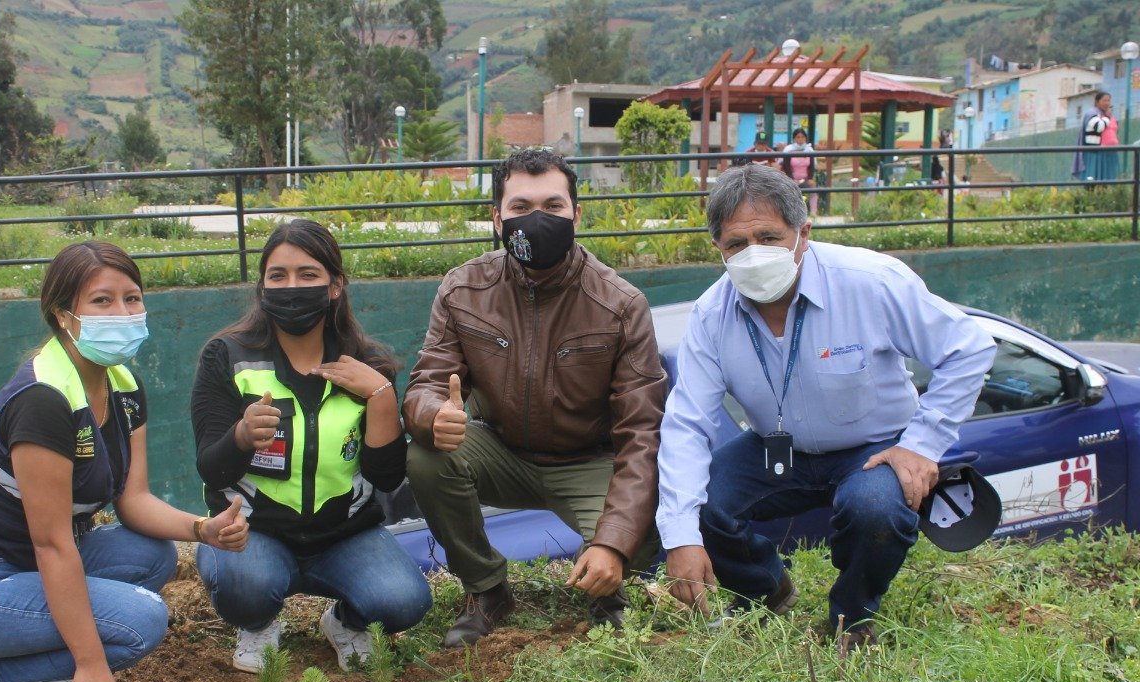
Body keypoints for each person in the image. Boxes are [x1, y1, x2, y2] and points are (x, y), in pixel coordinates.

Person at [0, 241, 249, 682]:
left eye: (132, 298)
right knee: (139, 623)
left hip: (24, 565)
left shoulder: (123, 383)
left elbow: (133, 500)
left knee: (151, 555)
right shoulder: (44, 400)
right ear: (63, 314)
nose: (124, 313)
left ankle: (26, 677)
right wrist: (91, 664)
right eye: (103, 302)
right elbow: (52, 545)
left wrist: (203, 530)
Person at [658, 166, 995, 651]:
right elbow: (686, 424)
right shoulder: (713, 316)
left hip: (874, 449)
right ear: (717, 249)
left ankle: (852, 616)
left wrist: (922, 445)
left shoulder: (869, 282)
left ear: (804, 233)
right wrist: (680, 537)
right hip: (780, 449)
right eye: (736, 244)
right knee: (699, 503)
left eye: (769, 237)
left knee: (875, 508)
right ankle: (766, 588)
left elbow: (968, 348)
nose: (754, 254)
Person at [403, 148, 665, 647]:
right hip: (501, 451)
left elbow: (641, 433)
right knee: (427, 458)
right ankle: (486, 590)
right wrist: (432, 415)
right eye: (521, 207)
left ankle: (607, 589)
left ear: (576, 214)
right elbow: (429, 379)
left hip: (588, 461)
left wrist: (613, 542)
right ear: (497, 216)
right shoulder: (463, 288)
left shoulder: (620, 303)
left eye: (553, 205)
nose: (537, 220)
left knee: (639, 528)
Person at [191, 219, 431, 673]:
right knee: (246, 589)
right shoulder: (226, 355)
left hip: (345, 535)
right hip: (254, 532)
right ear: (262, 286)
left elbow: (385, 478)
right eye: (277, 276)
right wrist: (241, 436)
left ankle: (343, 622)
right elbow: (211, 469)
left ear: (335, 285)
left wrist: (381, 397)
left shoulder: (368, 364)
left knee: (404, 602)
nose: (291, 287)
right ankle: (259, 623)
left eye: (308, 275)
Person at [1073, 92, 1120, 182]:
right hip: (1096, 152)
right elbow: (1099, 127)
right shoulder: (1092, 114)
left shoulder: (1108, 115)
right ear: (1097, 102)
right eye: (1104, 100)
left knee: (1107, 179)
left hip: (1110, 152)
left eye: (1108, 101)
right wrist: (1107, 117)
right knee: (1093, 178)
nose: (1107, 103)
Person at [781, 128, 817, 213]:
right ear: (794, 138)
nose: (800, 139)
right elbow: (786, 167)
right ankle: (791, 213)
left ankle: (813, 212)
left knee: (813, 188)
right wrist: (792, 179)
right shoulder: (788, 150)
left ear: (805, 138)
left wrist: (810, 178)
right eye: (798, 137)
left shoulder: (809, 150)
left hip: (805, 178)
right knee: (789, 190)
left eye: (802, 137)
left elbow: (811, 166)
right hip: (791, 179)